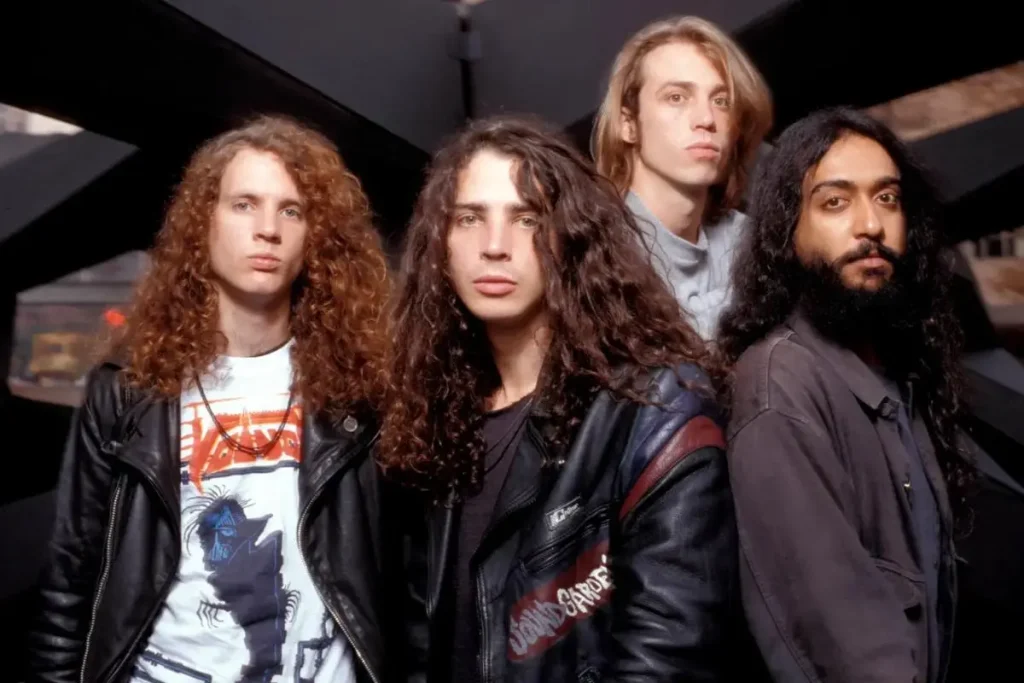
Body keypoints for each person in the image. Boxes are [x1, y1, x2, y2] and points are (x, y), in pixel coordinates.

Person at [26, 115, 393, 683]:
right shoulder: (129, 390)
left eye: (291, 210)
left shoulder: (363, 391)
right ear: (204, 224)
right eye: (244, 204)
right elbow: (73, 577)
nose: (267, 228)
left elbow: (408, 579)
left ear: (314, 237)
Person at [379, 115, 741, 683]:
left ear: (569, 239)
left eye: (526, 219)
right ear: (439, 245)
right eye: (470, 218)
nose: (494, 247)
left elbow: (670, 657)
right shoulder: (434, 414)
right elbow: (419, 645)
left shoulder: (655, 407)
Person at [718, 107, 973, 683]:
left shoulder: (892, 368)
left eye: (887, 198)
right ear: (788, 229)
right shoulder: (779, 389)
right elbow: (847, 649)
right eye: (835, 202)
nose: (871, 226)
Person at [592, 15, 773, 340]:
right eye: (676, 97)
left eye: (721, 101)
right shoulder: (593, 259)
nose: (706, 119)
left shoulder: (751, 245)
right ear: (628, 124)